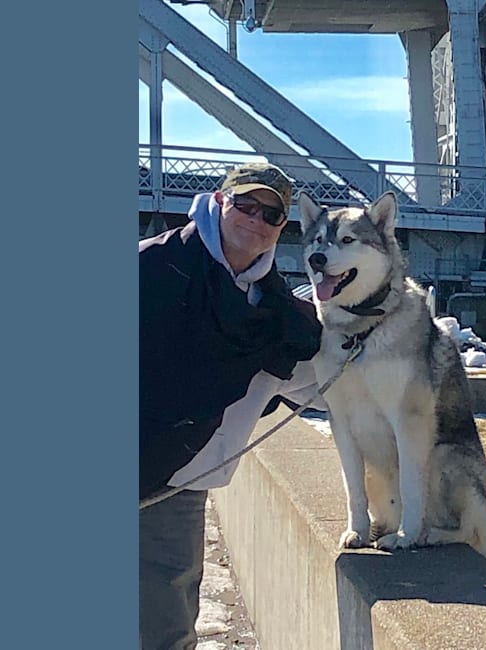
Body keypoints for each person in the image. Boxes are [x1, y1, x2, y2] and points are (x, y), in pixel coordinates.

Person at [139, 162, 325, 649]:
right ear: (220, 202)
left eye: (272, 214)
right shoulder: (150, 268)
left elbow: (316, 385)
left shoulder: (275, 311)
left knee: (166, 624)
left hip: (176, 488)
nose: (256, 220)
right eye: (246, 205)